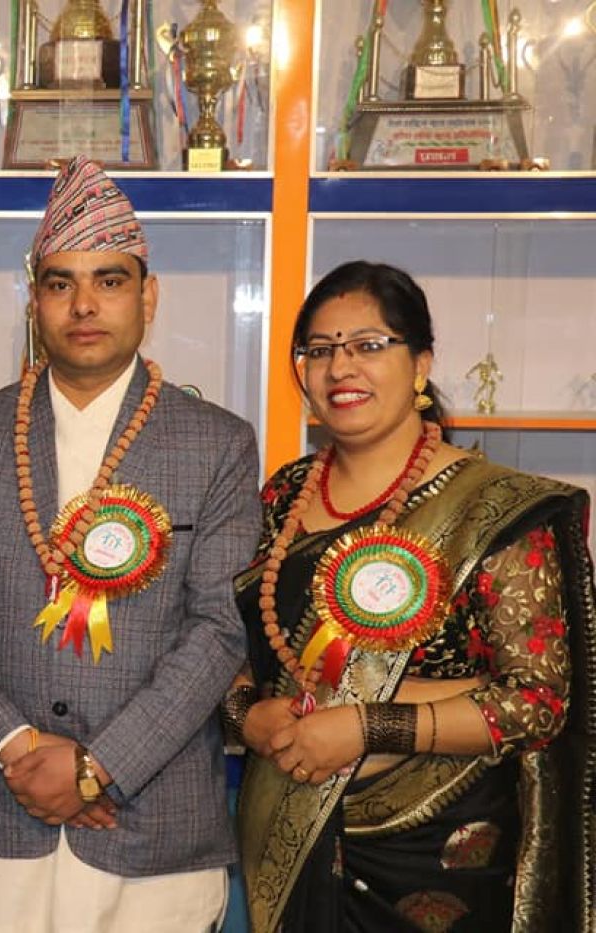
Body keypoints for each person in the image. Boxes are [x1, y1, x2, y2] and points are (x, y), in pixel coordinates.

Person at [0, 155, 260, 932]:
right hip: (1, 813)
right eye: (60, 283)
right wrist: (13, 745)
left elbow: (218, 628)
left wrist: (98, 764)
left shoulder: (216, 442)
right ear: (34, 300)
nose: (84, 304)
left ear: (148, 295)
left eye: (109, 280)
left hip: (156, 825)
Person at [229, 260, 596, 932]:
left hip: (442, 857)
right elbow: (234, 655)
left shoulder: (494, 509)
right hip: (288, 833)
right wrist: (247, 716)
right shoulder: (282, 497)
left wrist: (368, 725)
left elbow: (537, 702)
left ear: (421, 363)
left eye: (369, 345)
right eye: (319, 350)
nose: (341, 367)